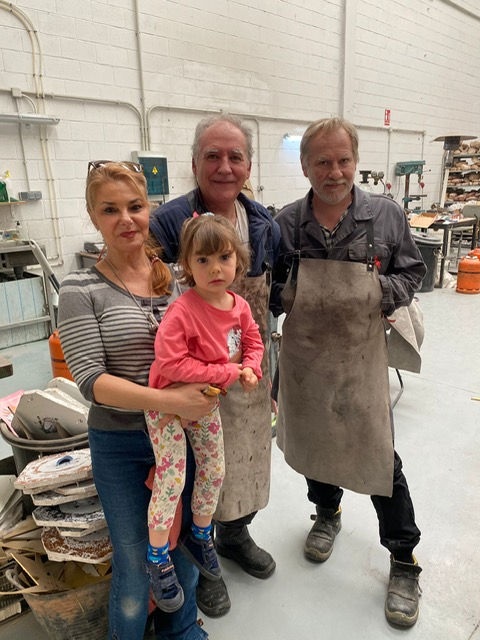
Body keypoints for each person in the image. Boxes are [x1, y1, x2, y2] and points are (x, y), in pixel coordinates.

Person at [271, 117, 427, 628]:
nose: (334, 171)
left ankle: (404, 559)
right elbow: (270, 290)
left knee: (379, 459)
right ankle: (327, 513)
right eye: (323, 161)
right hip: (305, 362)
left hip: (360, 360)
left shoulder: (385, 216)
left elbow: (412, 271)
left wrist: (377, 293)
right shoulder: (287, 224)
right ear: (305, 166)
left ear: (355, 161)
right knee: (314, 445)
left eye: (343, 160)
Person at [58, 161, 216, 640]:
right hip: (121, 442)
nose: (125, 219)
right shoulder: (80, 288)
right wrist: (170, 402)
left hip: (182, 437)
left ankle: (181, 630)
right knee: (134, 560)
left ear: (149, 210)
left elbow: (206, 343)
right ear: (93, 216)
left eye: (135, 206)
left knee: (184, 543)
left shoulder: (178, 279)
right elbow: (91, 381)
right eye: (110, 210)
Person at [149, 113, 281, 617]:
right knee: (185, 471)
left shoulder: (263, 222)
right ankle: (198, 566)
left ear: (248, 166)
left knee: (240, 459)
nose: (225, 167)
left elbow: (268, 304)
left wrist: (259, 365)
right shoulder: (168, 222)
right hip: (186, 377)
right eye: (212, 156)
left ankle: (234, 536)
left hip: (244, 366)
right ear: (193, 163)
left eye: (235, 157)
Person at [145, 213, 264, 611]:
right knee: (172, 477)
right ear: (187, 265)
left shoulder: (239, 306)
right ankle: (157, 557)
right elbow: (170, 363)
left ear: (238, 260)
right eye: (203, 260)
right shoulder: (182, 311)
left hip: (204, 402)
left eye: (224, 258)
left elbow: (253, 341)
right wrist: (229, 371)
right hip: (166, 403)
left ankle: (200, 535)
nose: (215, 268)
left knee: (214, 470)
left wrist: (251, 366)